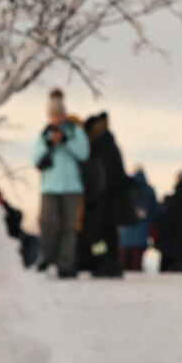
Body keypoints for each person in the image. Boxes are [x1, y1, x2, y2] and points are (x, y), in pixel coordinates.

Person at [31, 88, 89, 279]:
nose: (56, 118)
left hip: (72, 187)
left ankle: (66, 264)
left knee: (68, 227)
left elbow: (84, 153)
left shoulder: (75, 130)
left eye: (59, 114)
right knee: (47, 222)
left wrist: (65, 141)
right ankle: (46, 258)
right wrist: (49, 145)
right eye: (53, 115)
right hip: (49, 187)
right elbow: (35, 158)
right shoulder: (44, 134)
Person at [80, 111, 130, 278]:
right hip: (110, 200)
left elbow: (102, 175)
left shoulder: (101, 145)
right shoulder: (109, 143)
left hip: (101, 200)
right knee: (108, 233)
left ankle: (102, 261)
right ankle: (109, 262)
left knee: (97, 235)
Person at [0, 187, 39, 267]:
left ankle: (31, 264)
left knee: (35, 239)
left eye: (0, 195)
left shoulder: (5, 206)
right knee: (31, 241)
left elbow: (17, 214)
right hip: (6, 234)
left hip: (16, 232)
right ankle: (27, 264)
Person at [119, 167, 159, 272]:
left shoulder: (126, 187)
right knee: (137, 258)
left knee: (124, 257)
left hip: (125, 230)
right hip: (142, 229)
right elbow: (154, 210)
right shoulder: (149, 190)